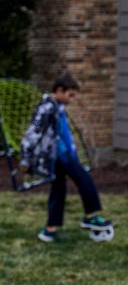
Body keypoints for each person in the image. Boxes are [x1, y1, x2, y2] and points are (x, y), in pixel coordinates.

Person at [21, 72, 115, 243]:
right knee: (84, 179)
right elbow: (32, 132)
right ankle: (90, 216)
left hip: (63, 154)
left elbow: (63, 131)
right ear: (59, 90)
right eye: (70, 95)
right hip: (58, 155)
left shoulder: (58, 106)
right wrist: (25, 159)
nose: (71, 99)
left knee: (58, 189)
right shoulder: (46, 107)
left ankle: (50, 229)